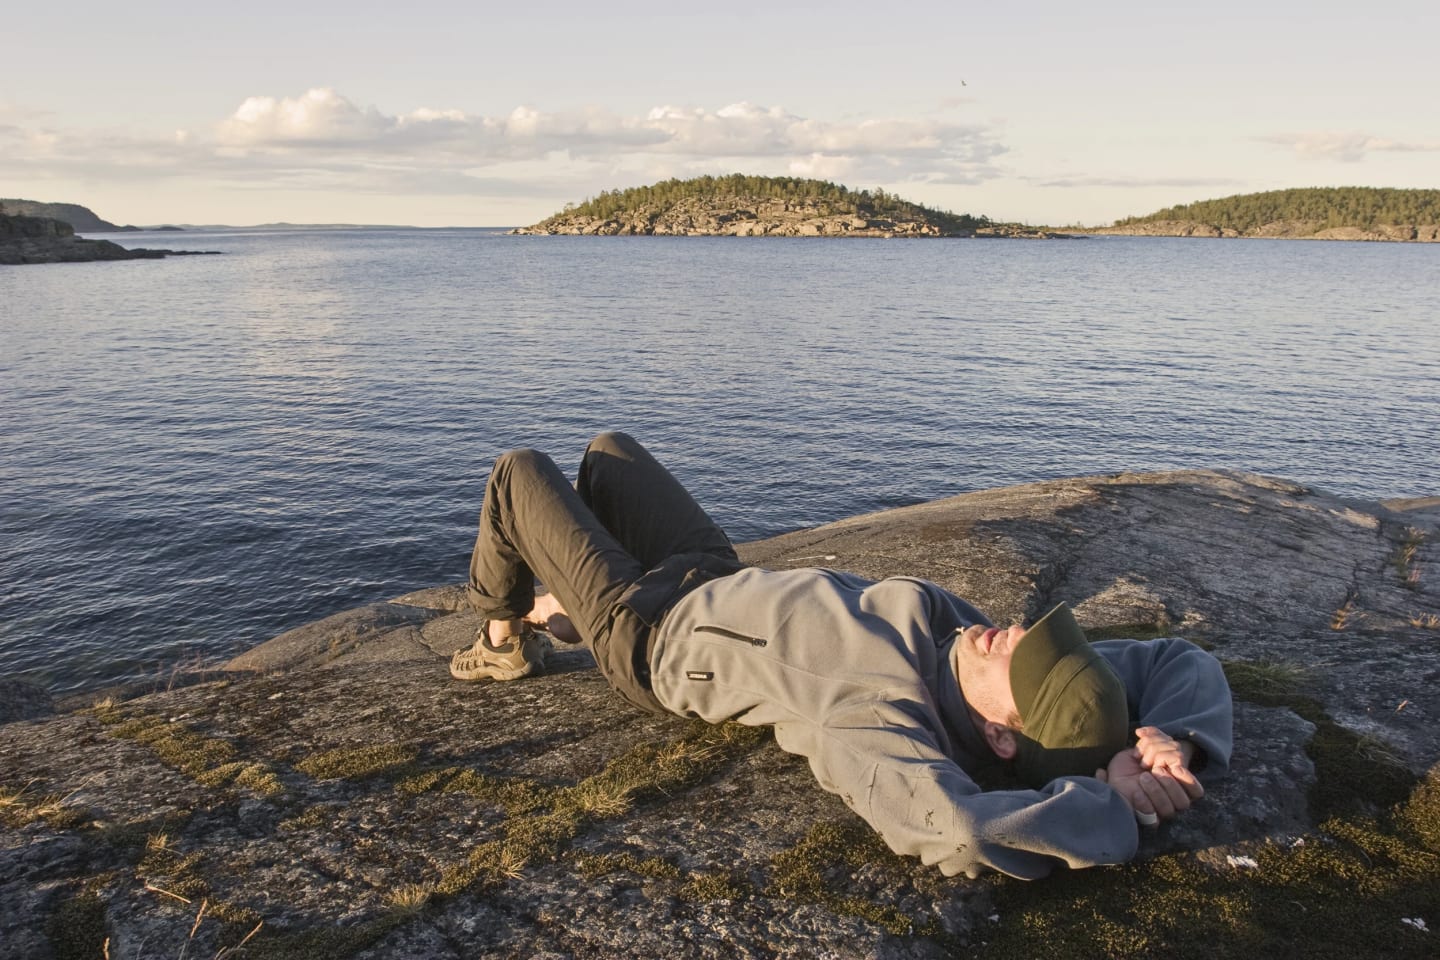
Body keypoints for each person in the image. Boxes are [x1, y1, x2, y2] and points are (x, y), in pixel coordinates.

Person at [452, 432, 1233, 880]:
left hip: (649, 635)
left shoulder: (876, 708)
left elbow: (960, 830)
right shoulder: (967, 645)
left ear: (1000, 736)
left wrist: (1114, 810)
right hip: (716, 574)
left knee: (518, 472)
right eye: (1043, 640)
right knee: (609, 454)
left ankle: (503, 638)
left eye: (1023, 664)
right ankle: (558, 604)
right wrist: (1169, 748)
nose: (1018, 633)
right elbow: (1181, 660)